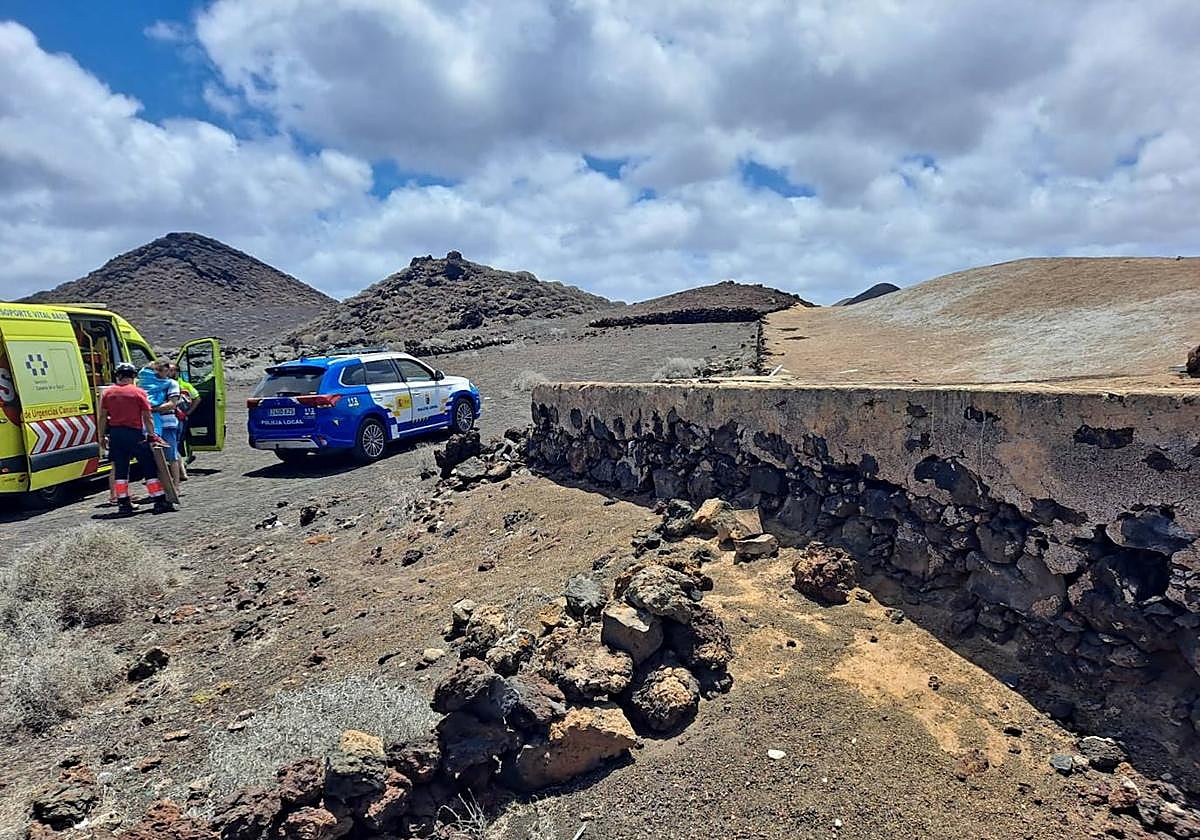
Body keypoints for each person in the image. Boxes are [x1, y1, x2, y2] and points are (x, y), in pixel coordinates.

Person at [97, 363, 174, 515]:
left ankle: (123, 503)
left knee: (120, 469)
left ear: (117, 376)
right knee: (148, 466)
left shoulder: (108, 393)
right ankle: (158, 500)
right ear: (133, 376)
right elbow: (147, 416)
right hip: (134, 433)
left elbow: (102, 416)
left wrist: (101, 436)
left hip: (116, 435)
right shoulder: (138, 392)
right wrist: (152, 435)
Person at [138, 358, 182, 489]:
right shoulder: (148, 381)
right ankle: (159, 487)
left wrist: (151, 409)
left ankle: (175, 486)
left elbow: (172, 404)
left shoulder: (172, 384)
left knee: (171, 456)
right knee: (155, 457)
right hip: (151, 424)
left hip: (167, 423)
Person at [171, 363, 201, 480]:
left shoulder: (185, 385)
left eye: (173, 370)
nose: (171, 373)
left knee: (179, 442)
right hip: (169, 417)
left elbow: (197, 398)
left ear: (178, 372)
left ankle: (182, 464)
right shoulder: (165, 384)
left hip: (180, 418)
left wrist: (188, 412)